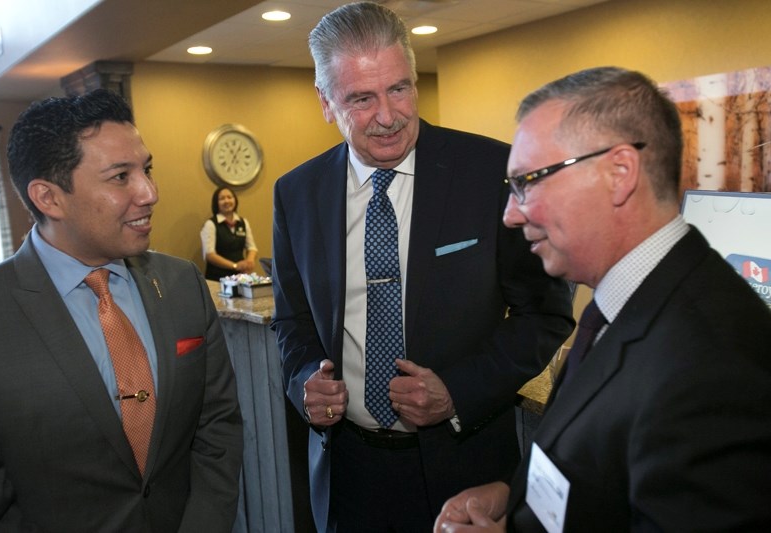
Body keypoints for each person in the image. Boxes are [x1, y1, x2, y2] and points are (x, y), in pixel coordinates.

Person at [271, 2, 574, 531]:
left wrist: (457, 390)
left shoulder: (491, 174)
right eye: (361, 99)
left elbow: (544, 317)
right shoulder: (296, 193)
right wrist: (303, 380)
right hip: (346, 471)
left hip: (467, 468)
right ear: (324, 101)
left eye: (400, 89)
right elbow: (292, 321)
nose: (388, 116)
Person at [435, 67, 771, 532]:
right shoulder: (629, 294)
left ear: (619, 173)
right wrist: (516, 502)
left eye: (528, 181)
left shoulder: (711, 362)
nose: (511, 214)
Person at [0, 89, 244, 531]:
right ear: (49, 198)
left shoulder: (181, 284)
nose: (150, 192)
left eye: (147, 169)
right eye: (121, 177)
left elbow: (217, 428)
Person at [200, 186, 258, 280]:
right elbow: (209, 254)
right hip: (217, 278)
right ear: (216, 203)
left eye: (229, 197)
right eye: (222, 198)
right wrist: (235, 266)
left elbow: (252, 247)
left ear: (235, 200)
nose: (226, 201)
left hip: (240, 278)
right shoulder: (210, 224)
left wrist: (249, 262)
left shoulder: (243, 222)